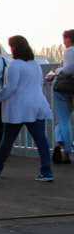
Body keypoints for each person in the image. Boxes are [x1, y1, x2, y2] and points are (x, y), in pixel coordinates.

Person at [0, 36, 54, 181]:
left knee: (7, 140)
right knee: (41, 139)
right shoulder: (35, 65)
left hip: (19, 108)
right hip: (38, 104)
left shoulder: (14, 65)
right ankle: (46, 171)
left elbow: (10, 88)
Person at [49, 29, 74, 165]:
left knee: (62, 119)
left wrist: (58, 70)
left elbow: (69, 69)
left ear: (69, 39)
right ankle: (59, 144)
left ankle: (66, 152)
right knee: (63, 118)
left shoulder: (70, 50)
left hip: (63, 87)